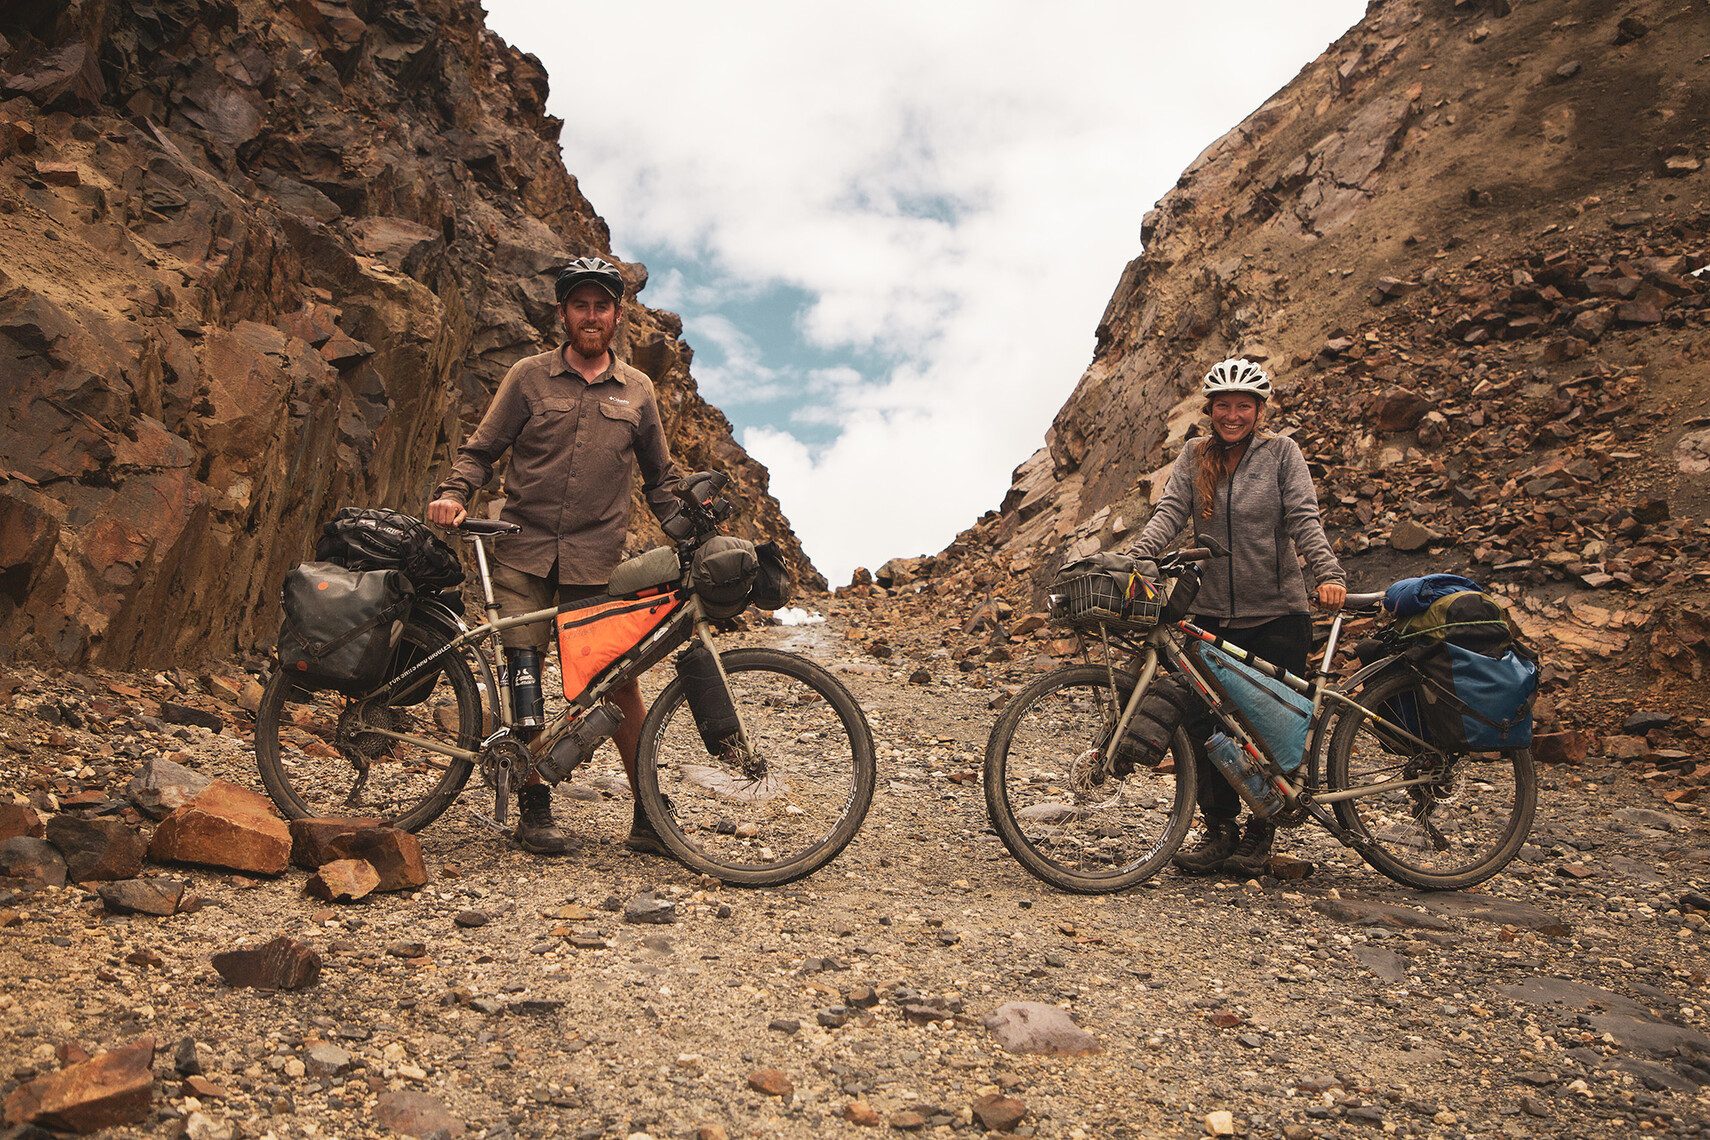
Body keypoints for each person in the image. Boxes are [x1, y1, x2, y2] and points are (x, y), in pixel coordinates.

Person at [427, 256, 681, 857]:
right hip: (523, 549)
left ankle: (648, 812)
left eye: (602, 306)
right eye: (580, 306)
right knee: (523, 675)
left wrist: (690, 527)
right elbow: (482, 449)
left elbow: (661, 479)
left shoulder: (638, 390)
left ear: (617, 315)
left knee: (616, 682)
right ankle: (533, 806)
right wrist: (453, 493)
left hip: (595, 560)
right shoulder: (528, 377)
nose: (591, 316)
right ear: (563, 313)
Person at [1126, 357, 1347, 877]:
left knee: (1267, 730)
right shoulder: (1194, 455)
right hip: (1208, 613)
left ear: (1259, 410)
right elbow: (1169, 513)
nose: (1232, 415)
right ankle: (1219, 829)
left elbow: (1303, 517)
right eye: (1222, 405)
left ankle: (1262, 831)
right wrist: (1136, 558)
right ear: (1209, 410)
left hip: (1276, 612)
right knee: (1205, 725)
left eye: (1243, 406)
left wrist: (1328, 573)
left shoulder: (1282, 453)